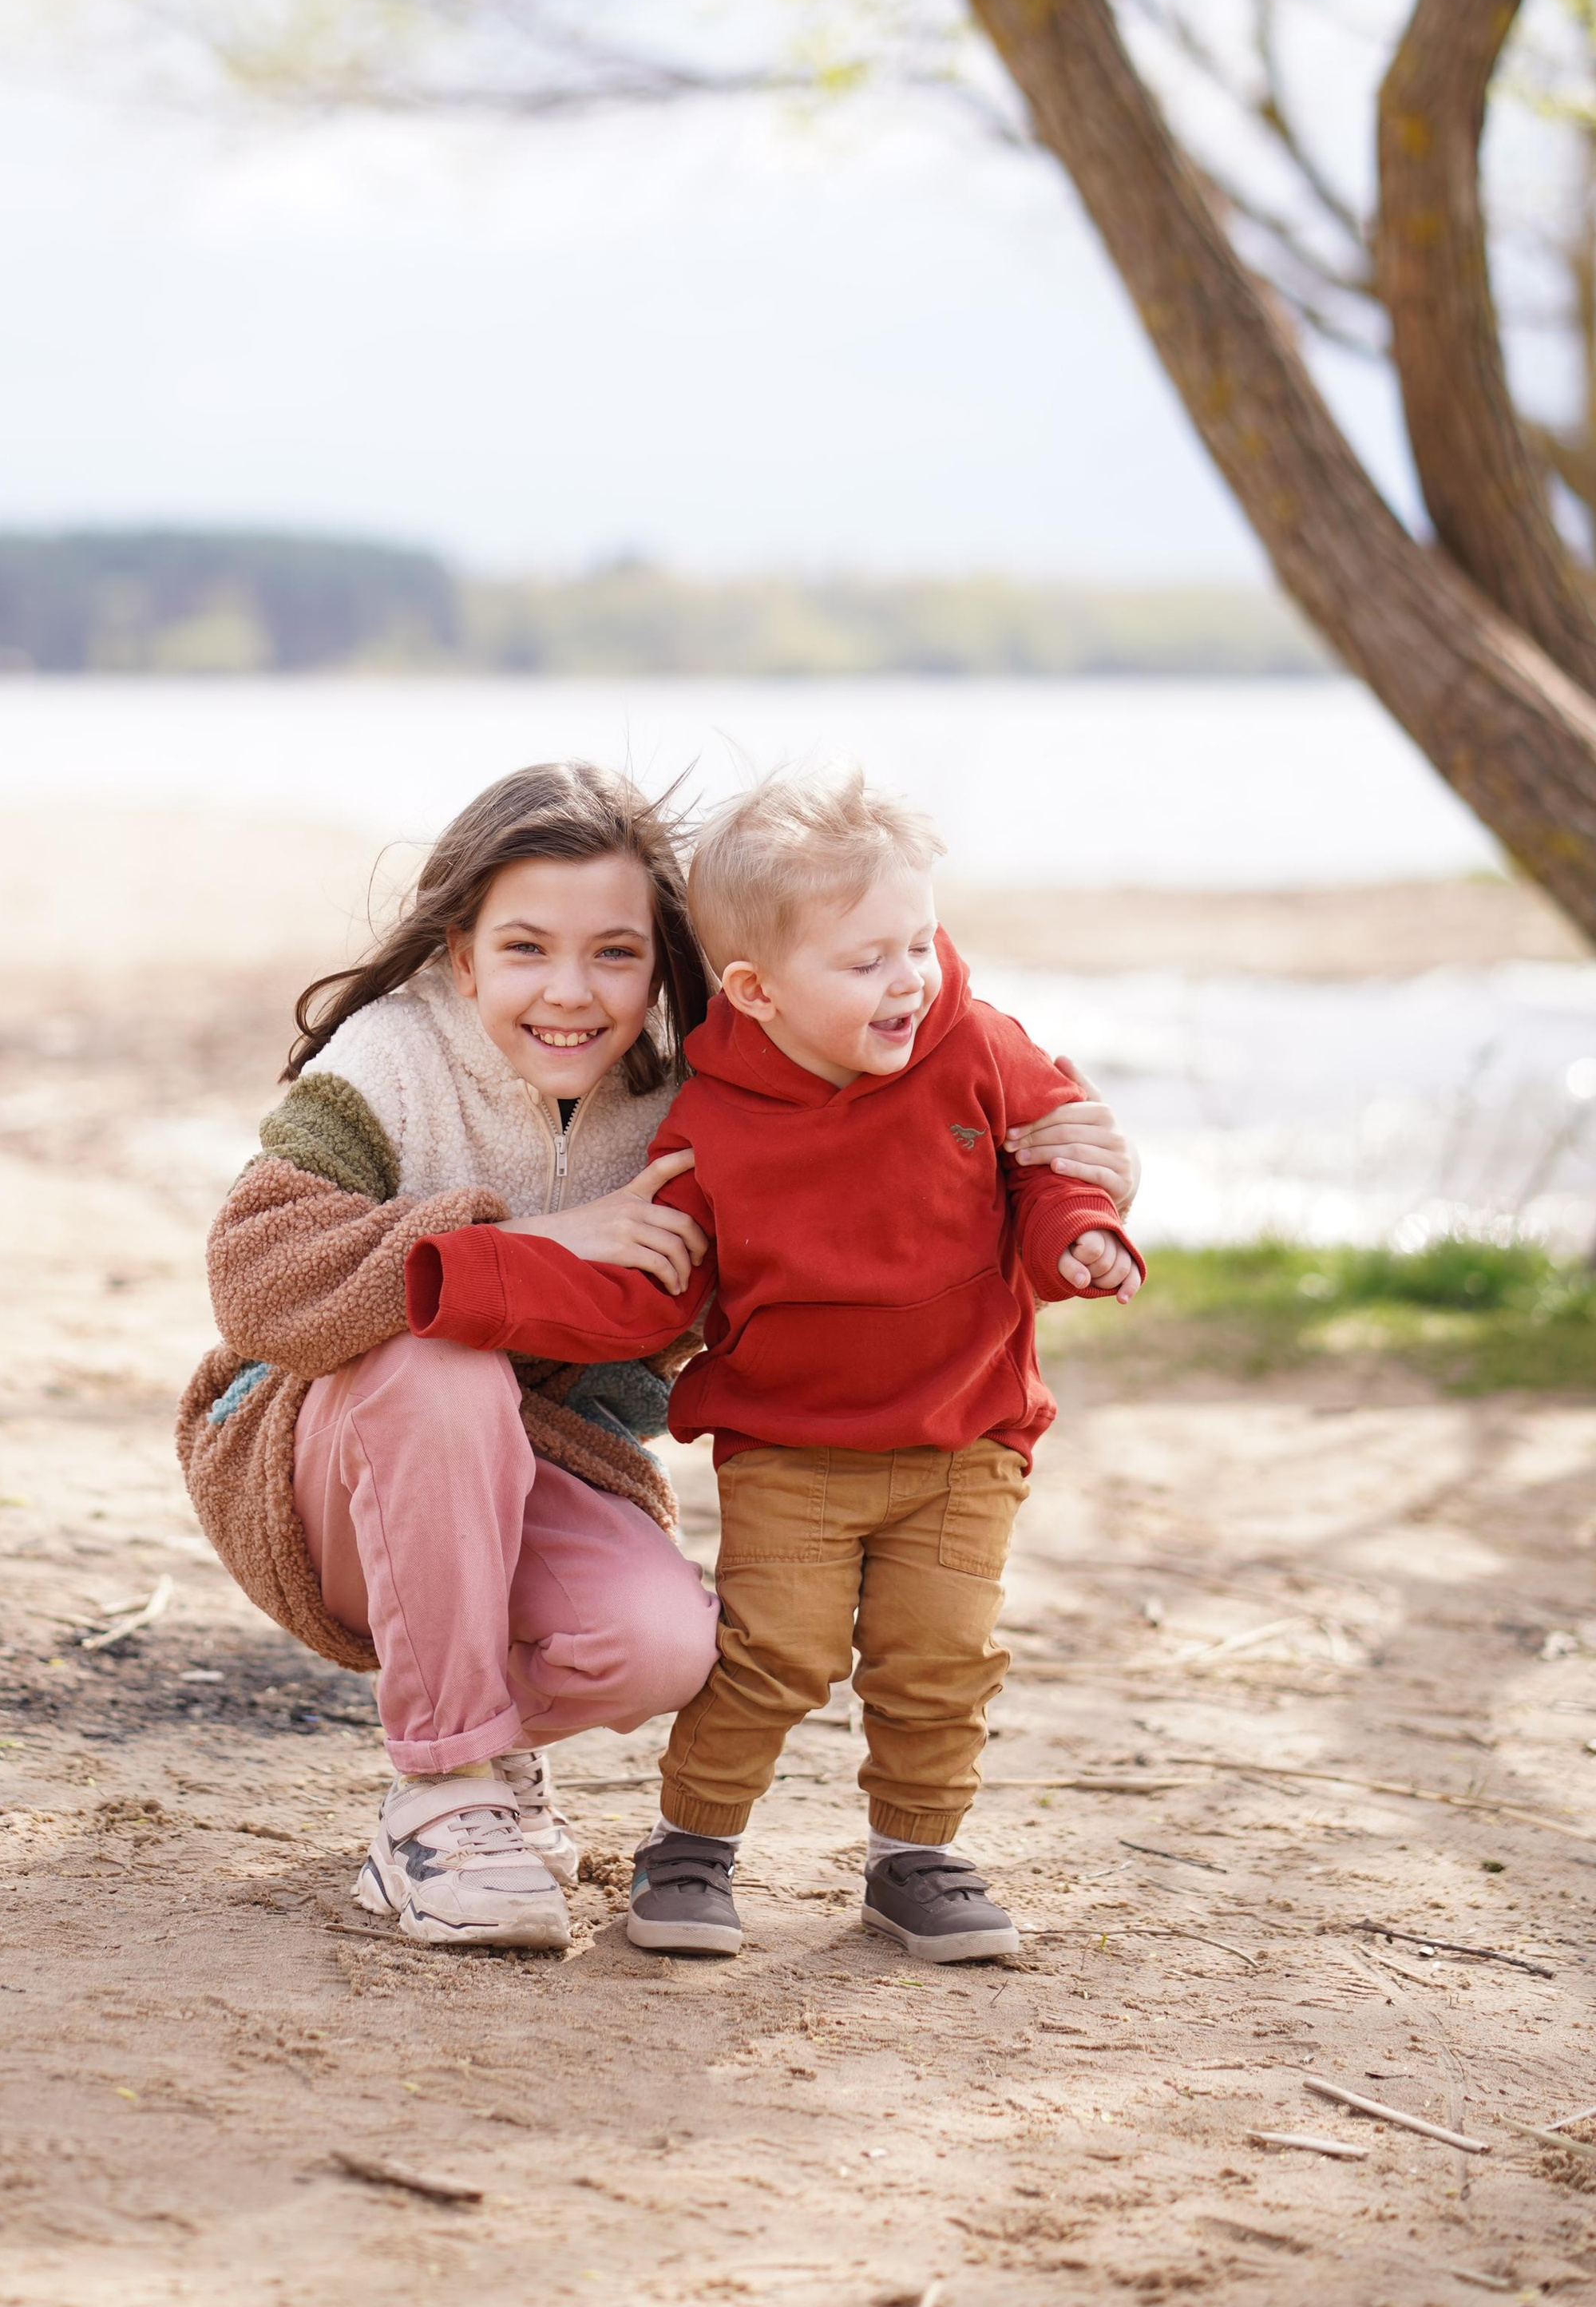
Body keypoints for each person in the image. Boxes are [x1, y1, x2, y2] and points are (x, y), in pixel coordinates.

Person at [179, 759, 1139, 1955]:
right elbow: (256, 1277)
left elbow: (848, 1189)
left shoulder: (689, 1096)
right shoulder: (389, 1065)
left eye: (616, 954)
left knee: (665, 1646)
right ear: (463, 957)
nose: (571, 993)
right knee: (443, 1363)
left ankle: (476, 1743)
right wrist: (514, 1236)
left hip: (533, 1468)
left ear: (668, 962)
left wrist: (1063, 1179)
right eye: (526, 949)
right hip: (317, 1467)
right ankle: (443, 1793)